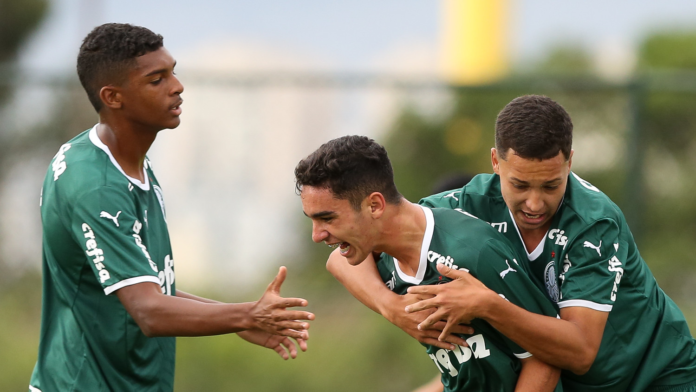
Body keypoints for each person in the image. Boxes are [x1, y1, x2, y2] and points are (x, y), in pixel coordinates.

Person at [327, 95, 696, 391]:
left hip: (658, 376)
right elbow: (344, 259)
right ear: (495, 163)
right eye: (519, 185)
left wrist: (488, 304)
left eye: (551, 185)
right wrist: (393, 308)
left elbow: (580, 351)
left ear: (570, 162)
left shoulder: (593, 223)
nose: (535, 203)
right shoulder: (463, 205)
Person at [28, 23, 314, 392]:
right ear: (113, 97)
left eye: (172, 71)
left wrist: (241, 319)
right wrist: (245, 314)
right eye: (156, 79)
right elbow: (148, 310)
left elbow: (149, 285)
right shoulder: (95, 187)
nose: (177, 86)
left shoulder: (129, 162)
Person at [295, 135, 562, 392]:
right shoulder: (380, 252)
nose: (316, 235)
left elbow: (544, 361)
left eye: (327, 219)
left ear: (374, 206)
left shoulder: (471, 251)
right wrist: (393, 308)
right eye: (312, 220)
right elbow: (337, 264)